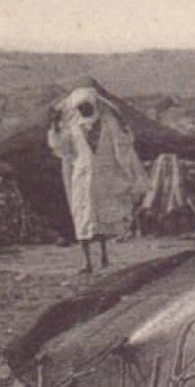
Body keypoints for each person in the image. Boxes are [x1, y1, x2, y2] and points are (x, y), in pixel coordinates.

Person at [47, 87, 148, 274]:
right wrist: (55, 126)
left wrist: (121, 121)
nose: (83, 110)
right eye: (79, 107)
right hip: (82, 178)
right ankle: (86, 261)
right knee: (82, 216)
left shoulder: (109, 124)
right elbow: (62, 147)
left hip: (104, 177)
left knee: (102, 216)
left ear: (93, 105)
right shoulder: (73, 128)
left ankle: (103, 256)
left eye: (86, 106)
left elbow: (124, 142)